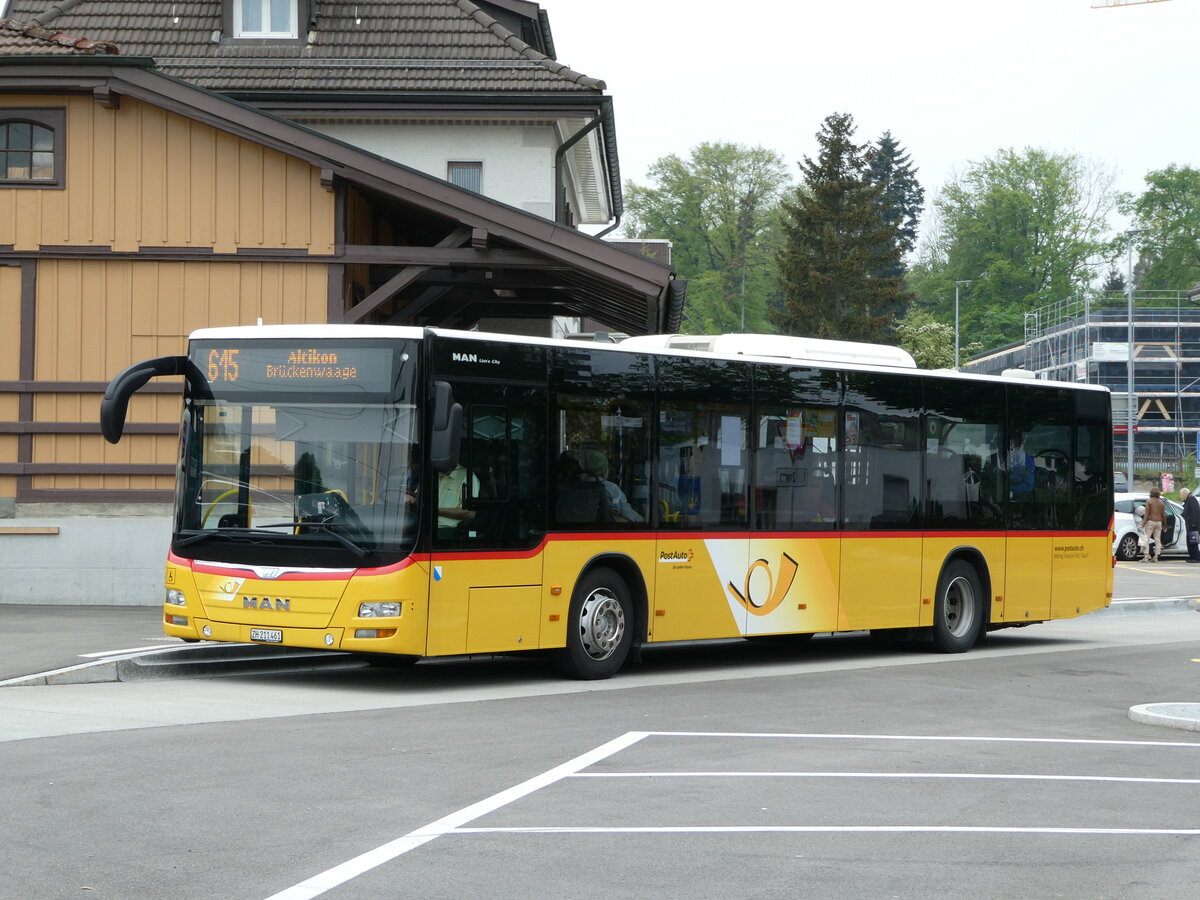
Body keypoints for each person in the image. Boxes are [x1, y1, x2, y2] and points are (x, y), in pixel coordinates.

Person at [582, 450, 643, 523]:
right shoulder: (611, 488)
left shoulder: (578, 486)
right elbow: (626, 512)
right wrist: (642, 520)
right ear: (605, 471)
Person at [437, 464, 478, 531]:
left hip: (449, 530)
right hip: (426, 526)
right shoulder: (433, 474)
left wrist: (435, 511)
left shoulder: (468, 477)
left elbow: (470, 513)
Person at [1141, 489, 1166, 562]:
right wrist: (1165, 525)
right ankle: (1156, 556)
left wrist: (1143, 523)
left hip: (1150, 522)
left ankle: (1146, 556)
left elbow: (1146, 514)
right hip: (1159, 522)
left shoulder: (1149, 501)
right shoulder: (1161, 503)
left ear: (1151, 494)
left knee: (1146, 538)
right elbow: (1164, 515)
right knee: (1157, 540)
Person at [1182, 487, 1200, 563]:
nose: (1181, 496)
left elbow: (1196, 512)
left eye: (1181, 494)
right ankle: (1192, 557)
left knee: (1193, 542)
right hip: (1190, 525)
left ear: (1185, 493)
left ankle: (1196, 558)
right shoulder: (1188, 500)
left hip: (1193, 526)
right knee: (1190, 542)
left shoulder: (1191, 499)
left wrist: (1193, 523)